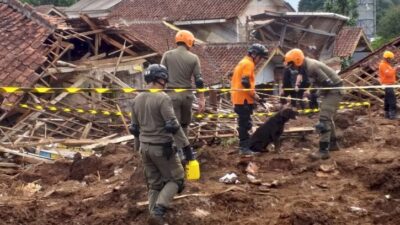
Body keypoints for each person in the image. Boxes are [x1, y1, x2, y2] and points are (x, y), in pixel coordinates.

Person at [130, 64, 195, 225]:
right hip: (162, 148)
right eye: (164, 79)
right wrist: (187, 149)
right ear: (161, 79)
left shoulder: (137, 98)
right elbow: (173, 125)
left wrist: (137, 148)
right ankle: (159, 210)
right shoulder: (162, 98)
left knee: (155, 184)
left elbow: (134, 129)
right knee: (177, 179)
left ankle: (154, 218)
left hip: (144, 148)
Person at [284, 48, 343, 160]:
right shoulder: (304, 66)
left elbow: (328, 84)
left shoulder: (312, 67)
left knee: (324, 118)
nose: (291, 68)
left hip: (334, 90)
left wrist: (316, 94)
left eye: (292, 65)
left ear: (297, 61)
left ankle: (323, 151)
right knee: (327, 117)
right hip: (329, 90)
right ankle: (333, 144)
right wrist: (310, 90)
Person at [161, 30, 206, 137]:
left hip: (171, 95)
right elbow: (199, 80)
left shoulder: (167, 55)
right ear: (189, 42)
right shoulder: (194, 58)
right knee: (185, 125)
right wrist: (201, 98)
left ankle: (176, 150)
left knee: (173, 125)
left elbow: (161, 76)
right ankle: (185, 149)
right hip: (187, 96)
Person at [231, 43, 269, 155]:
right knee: (245, 124)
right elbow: (246, 83)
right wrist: (256, 97)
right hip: (244, 99)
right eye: (260, 58)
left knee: (243, 123)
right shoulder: (249, 64)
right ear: (254, 54)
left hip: (239, 98)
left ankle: (245, 147)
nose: (260, 60)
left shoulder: (243, 62)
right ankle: (244, 149)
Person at [378, 50, 399, 119]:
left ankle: (387, 114)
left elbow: (390, 72)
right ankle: (392, 115)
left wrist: (395, 69)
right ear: (387, 58)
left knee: (387, 100)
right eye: (391, 58)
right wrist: (395, 68)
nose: (391, 60)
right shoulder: (383, 65)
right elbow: (388, 74)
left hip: (389, 84)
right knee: (392, 100)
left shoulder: (387, 65)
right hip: (387, 85)